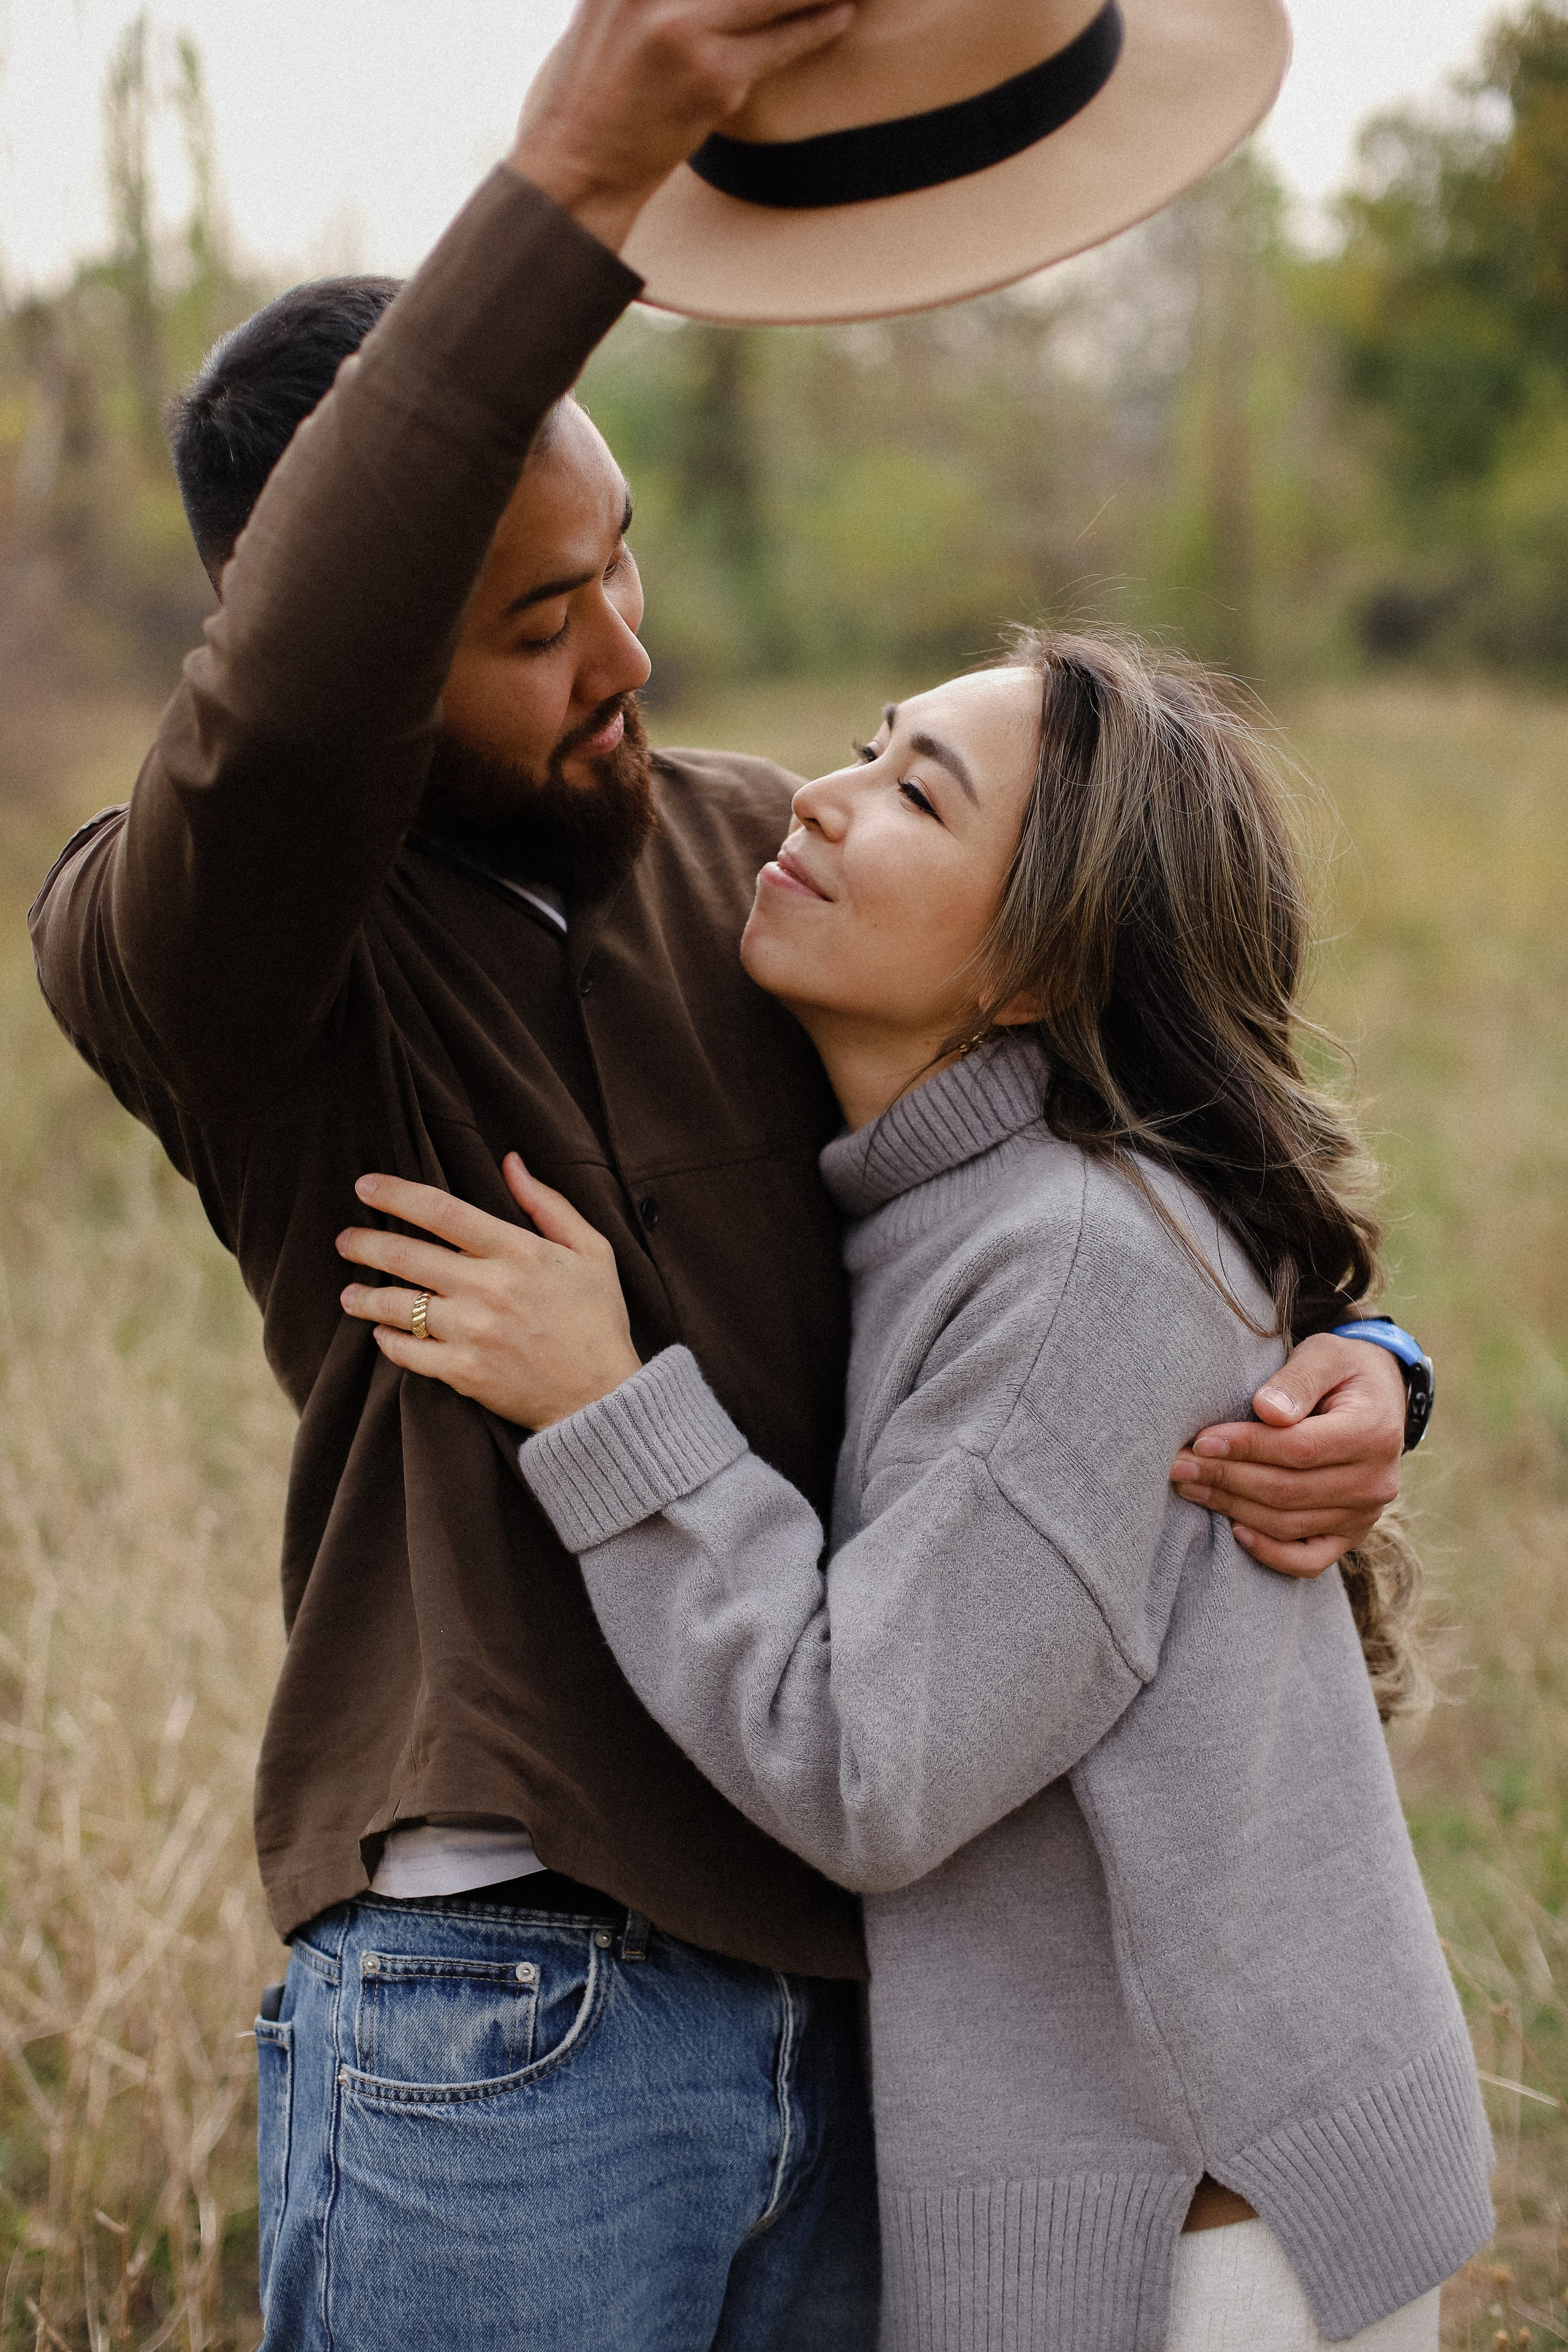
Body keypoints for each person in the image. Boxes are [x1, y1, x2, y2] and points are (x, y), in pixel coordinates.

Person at [27, 3, 1419, 2343]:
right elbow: (280, 715)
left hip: (903, 2028)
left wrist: (1357, 1364)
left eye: (626, 567)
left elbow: (1135, 1146)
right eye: (536, 625)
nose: (629, 657)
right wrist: (590, 158)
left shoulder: (767, 863)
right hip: (509, 2025)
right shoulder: (213, 948)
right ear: (359, 638)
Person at [338, 629, 1492, 2352]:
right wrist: (1374, 1355)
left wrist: (603, 1407)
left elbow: (871, 1764)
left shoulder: (1071, 1261)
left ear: (1035, 967)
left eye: (914, 794)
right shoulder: (965, 1194)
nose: (818, 796)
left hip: (1193, 2260)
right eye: (870, 744)